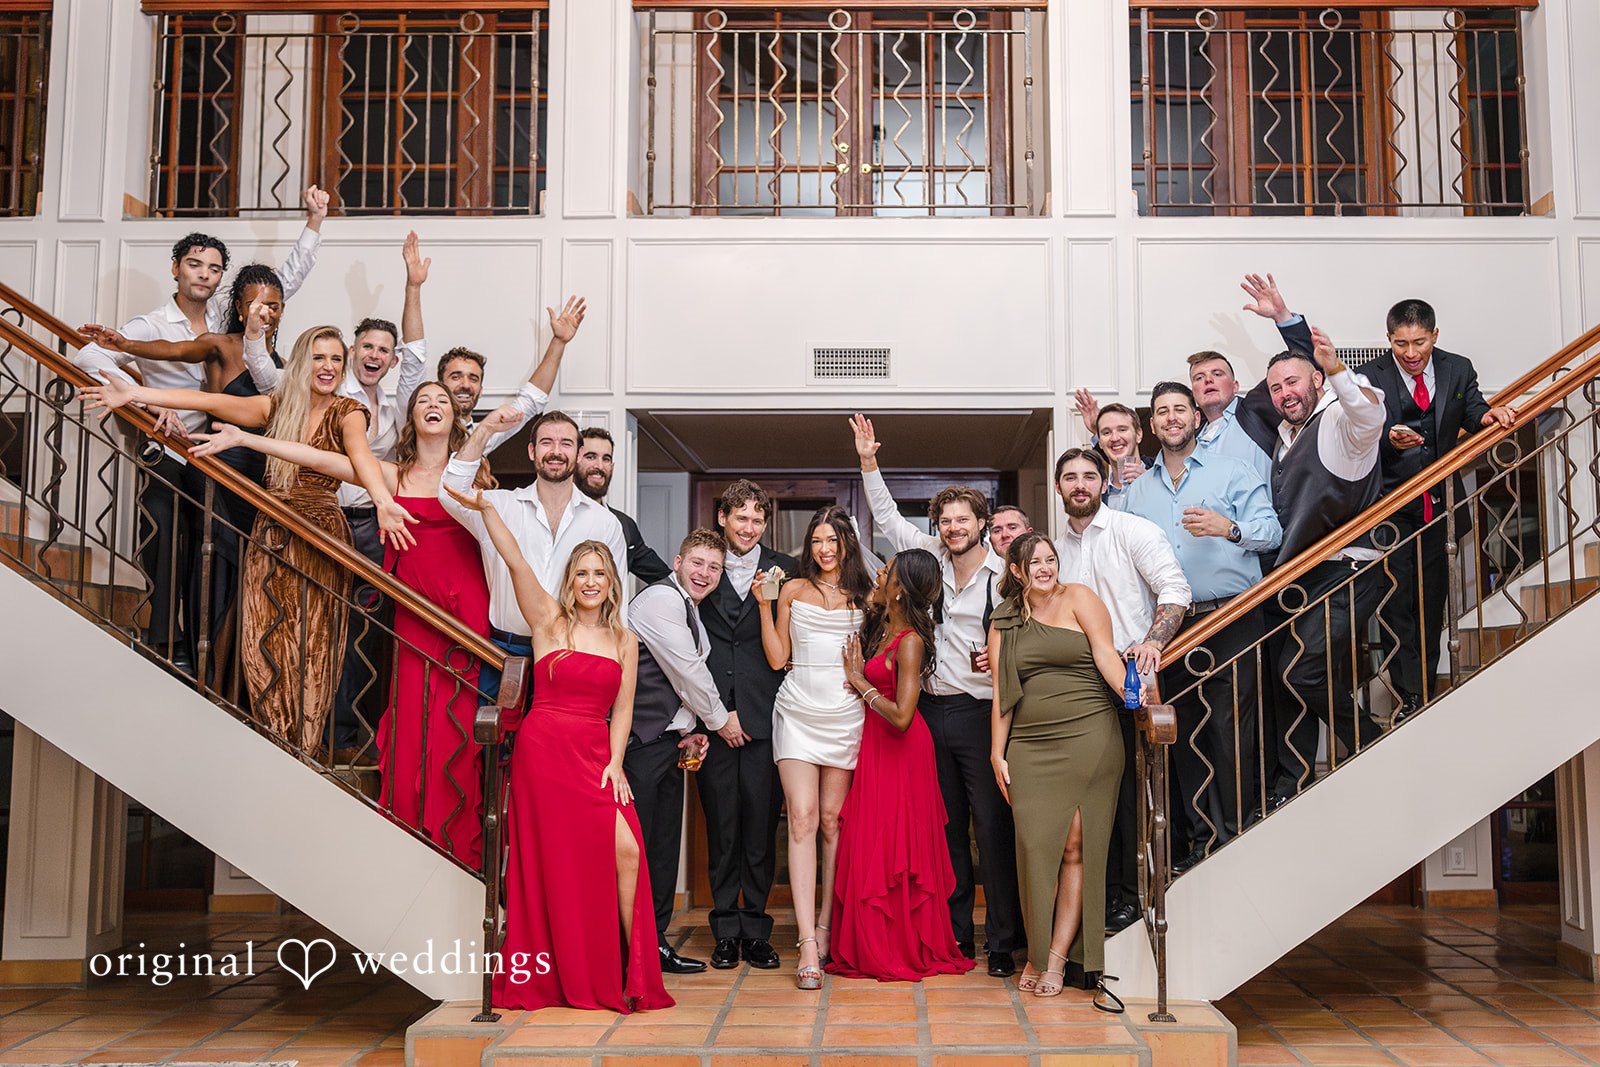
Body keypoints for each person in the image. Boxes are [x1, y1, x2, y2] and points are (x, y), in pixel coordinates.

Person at [190, 383, 493, 867]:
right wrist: (247, 439)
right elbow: (317, 459)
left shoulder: (472, 482)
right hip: (415, 619)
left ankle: (459, 849)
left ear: (457, 419)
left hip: (465, 620)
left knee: (456, 731)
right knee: (414, 726)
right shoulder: (389, 476)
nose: (433, 405)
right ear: (411, 418)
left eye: (442, 401)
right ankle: (412, 847)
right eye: (422, 400)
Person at [80, 322, 410, 756]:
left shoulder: (349, 411)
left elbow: (362, 458)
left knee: (311, 643)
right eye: (318, 357)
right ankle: (274, 740)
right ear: (301, 362)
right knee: (263, 638)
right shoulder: (276, 407)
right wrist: (135, 393)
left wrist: (383, 501)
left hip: (320, 533)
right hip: (271, 533)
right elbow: (207, 400)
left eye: (335, 358)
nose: (328, 366)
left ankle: (303, 749)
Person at [71, 190, 329, 672]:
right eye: (195, 265)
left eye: (213, 268)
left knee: (218, 554)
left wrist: (315, 221)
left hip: (232, 456)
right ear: (176, 268)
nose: (204, 274)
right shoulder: (154, 323)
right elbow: (101, 355)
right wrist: (145, 396)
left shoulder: (232, 321)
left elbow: (280, 286)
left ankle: (227, 659)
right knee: (176, 547)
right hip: (174, 450)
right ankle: (171, 647)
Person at [446, 489, 671, 1014]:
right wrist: (488, 511)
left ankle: (627, 971)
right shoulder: (549, 621)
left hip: (595, 755)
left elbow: (623, 709)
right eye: (582, 573)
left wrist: (616, 763)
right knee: (556, 865)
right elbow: (515, 561)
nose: (591, 582)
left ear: (612, 581)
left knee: (627, 851)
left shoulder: (625, 640)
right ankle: (563, 972)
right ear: (570, 581)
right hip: (544, 753)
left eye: (600, 573)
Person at [241, 233, 433, 760]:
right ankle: (297, 728)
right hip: (308, 518)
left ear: (390, 361)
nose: (375, 355)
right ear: (353, 352)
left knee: (352, 628)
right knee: (293, 620)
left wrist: (413, 288)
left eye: (384, 350)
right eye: (367, 346)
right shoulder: (321, 389)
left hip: (370, 526)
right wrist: (256, 334)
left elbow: (418, 357)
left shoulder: (393, 407)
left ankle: (338, 731)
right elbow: (265, 376)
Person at [850, 414, 1022, 977]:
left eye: (962, 519)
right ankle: (953, 935)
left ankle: (1002, 941)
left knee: (990, 828)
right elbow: (886, 519)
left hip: (979, 712)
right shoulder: (928, 560)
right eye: (945, 521)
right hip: (926, 712)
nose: (952, 528)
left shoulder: (1007, 575)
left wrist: (999, 661)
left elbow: (1027, 636)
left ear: (982, 523)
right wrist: (869, 463)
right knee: (943, 829)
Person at [80, 264, 289, 689]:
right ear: (239, 307)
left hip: (260, 480)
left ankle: (241, 679)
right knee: (214, 562)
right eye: (255, 304)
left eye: (273, 306)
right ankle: (205, 666)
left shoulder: (281, 365)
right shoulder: (219, 344)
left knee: (253, 574)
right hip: (218, 469)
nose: (264, 312)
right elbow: (173, 350)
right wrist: (125, 344)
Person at [1239, 273, 1388, 805]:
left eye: (1294, 383)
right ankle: (1293, 781)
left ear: (1319, 382)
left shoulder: (1342, 424)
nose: (1284, 394)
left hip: (1347, 569)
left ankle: (1370, 739)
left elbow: (1369, 412)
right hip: (1299, 577)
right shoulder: (1283, 434)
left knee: (1300, 672)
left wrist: (1330, 362)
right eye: (1276, 388)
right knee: (1289, 679)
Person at [1120, 383, 1282, 866]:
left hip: (1230, 615)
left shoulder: (1232, 471)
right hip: (1170, 629)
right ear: (1152, 425)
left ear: (1196, 418)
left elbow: (1271, 531)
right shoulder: (1135, 494)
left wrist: (1227, 528)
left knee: (1231, 729)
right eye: (1161, 412)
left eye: (1180, 409)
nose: (1171, 417)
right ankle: (1199, 842)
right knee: (1183, 733)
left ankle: (1235, 837)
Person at [1051, 447, 1190, 933]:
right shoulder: (1054, 552)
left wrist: (1153, 641)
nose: (1080, 484)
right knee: (1089, 797)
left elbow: (1175, 589)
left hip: (1130, 681)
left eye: (1089, 476)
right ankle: (1099, 899)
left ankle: (1133, 897)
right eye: (1070, 477)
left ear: (1104, 482)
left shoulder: (1134, 531)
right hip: (1077, 689)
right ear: (1059, 487)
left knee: (1133, 794)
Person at [989, 533, 1130, 996]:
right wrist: (997, 752)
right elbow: (1002, 695)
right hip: (1030, 745)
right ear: (1017, 571)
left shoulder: (1079, 598)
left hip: (1089, 734)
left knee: (1074, 848)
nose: (1045, 568)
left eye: (1050, 559)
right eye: (1035, 563)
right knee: (1035, 849)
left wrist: (1134, 695)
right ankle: (1036, 948)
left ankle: (1053, 959)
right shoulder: (1004, 620)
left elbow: (1106, 654)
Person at [827, 548, 976, 983]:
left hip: (902, 750)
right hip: (876, 748)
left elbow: (902, 716)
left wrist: (859, 682)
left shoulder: (909, 641)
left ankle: (899, 946)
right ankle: (872, 942)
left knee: (896, 849)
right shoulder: (882, 627)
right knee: (872, 843)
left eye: (887, 571)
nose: (879, 574)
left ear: (900, 589)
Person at [1364, 299, 1514, 718]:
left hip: (1441, 506)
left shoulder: (1458, 368)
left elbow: (1474, 411)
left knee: (1431, 605)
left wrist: (1489, 417)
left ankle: (1425, 691)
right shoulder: (1370, 375)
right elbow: (1356, 433)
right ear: (1389, 338)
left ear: (1434, 335)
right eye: (1400, 344)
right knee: (1396, 606)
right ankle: (1409, 694)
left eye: (1419, 342)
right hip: (1390, 510)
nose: (1411, 353)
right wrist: (1386, 439)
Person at [752, 504, 871, 989]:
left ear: (847, 544)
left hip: (845, 712)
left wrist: (861, 680)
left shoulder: (866, 594)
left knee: (830, 820)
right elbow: (777, 657)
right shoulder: (793, 590)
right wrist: (764, 605)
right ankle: (804, 941)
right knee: (800, 817)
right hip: (797, 708)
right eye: (817, 540)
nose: (824, 549)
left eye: (832, 540)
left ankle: (826, 924)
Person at [438, 406, 628, 700]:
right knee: (494, 729)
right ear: (532, 451)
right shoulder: (499, 506)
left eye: (566, 443)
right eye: (546, 442)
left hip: (571, 653)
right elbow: (449, 489)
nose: (556, 451)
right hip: (504, 652)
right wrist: (486, 429)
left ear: (579, 454)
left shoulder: (604, 522)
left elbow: (616, 603)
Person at [696, 479, 797, 971]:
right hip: (712, 716)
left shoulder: (787, 568)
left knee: (760, 827)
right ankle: (724, 929)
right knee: (722, 829)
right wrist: (715, 712)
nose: (749, 527)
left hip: (765, 716)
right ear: (723, 518)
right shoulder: (702, 568)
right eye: (741, 517)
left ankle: (756, 930)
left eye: (758, 519)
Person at [626, 529, 729, 976]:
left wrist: (688, 730)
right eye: (698, 563)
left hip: (666, 743)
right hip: (639, 745)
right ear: (678, 561)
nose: (705, 573)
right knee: (641, 849)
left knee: (664, 849)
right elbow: (687, 673)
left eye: (714, 567)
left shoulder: (689, 608)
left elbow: (677, 679)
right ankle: (630, 948)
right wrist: (720, 722)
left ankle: (654, 944)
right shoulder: (661, 601)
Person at [434, 294, 588, 459]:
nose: (465, 385)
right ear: (439, 386)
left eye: (473, 379)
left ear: (480, 390)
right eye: (456, 377)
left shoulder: (484, 434)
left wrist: (559, 341)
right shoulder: (419, 428)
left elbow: (531, 400)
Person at [575, 426, 671, 583]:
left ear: (612, 467)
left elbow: (662, 577)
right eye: (591, 457)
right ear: (575, 461)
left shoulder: (624, 524)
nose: (599, 466)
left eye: (606, 459)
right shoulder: (559, 517)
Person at [1187, 350, 1273, 482]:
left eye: (1217, 374)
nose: (1208, 380)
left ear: (1235, 387)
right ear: (1193, 393)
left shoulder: (1254, 410)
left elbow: (1294, 368)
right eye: (1199, 378)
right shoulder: (1190, 434)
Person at [1072, 391, 1148, 507]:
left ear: (1138, 434)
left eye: (1122, 429)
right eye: (1106, 432)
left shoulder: (1163, 477)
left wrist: (1150, 484)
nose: (1115, 438)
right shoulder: (1096, 494)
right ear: (1100, 442)